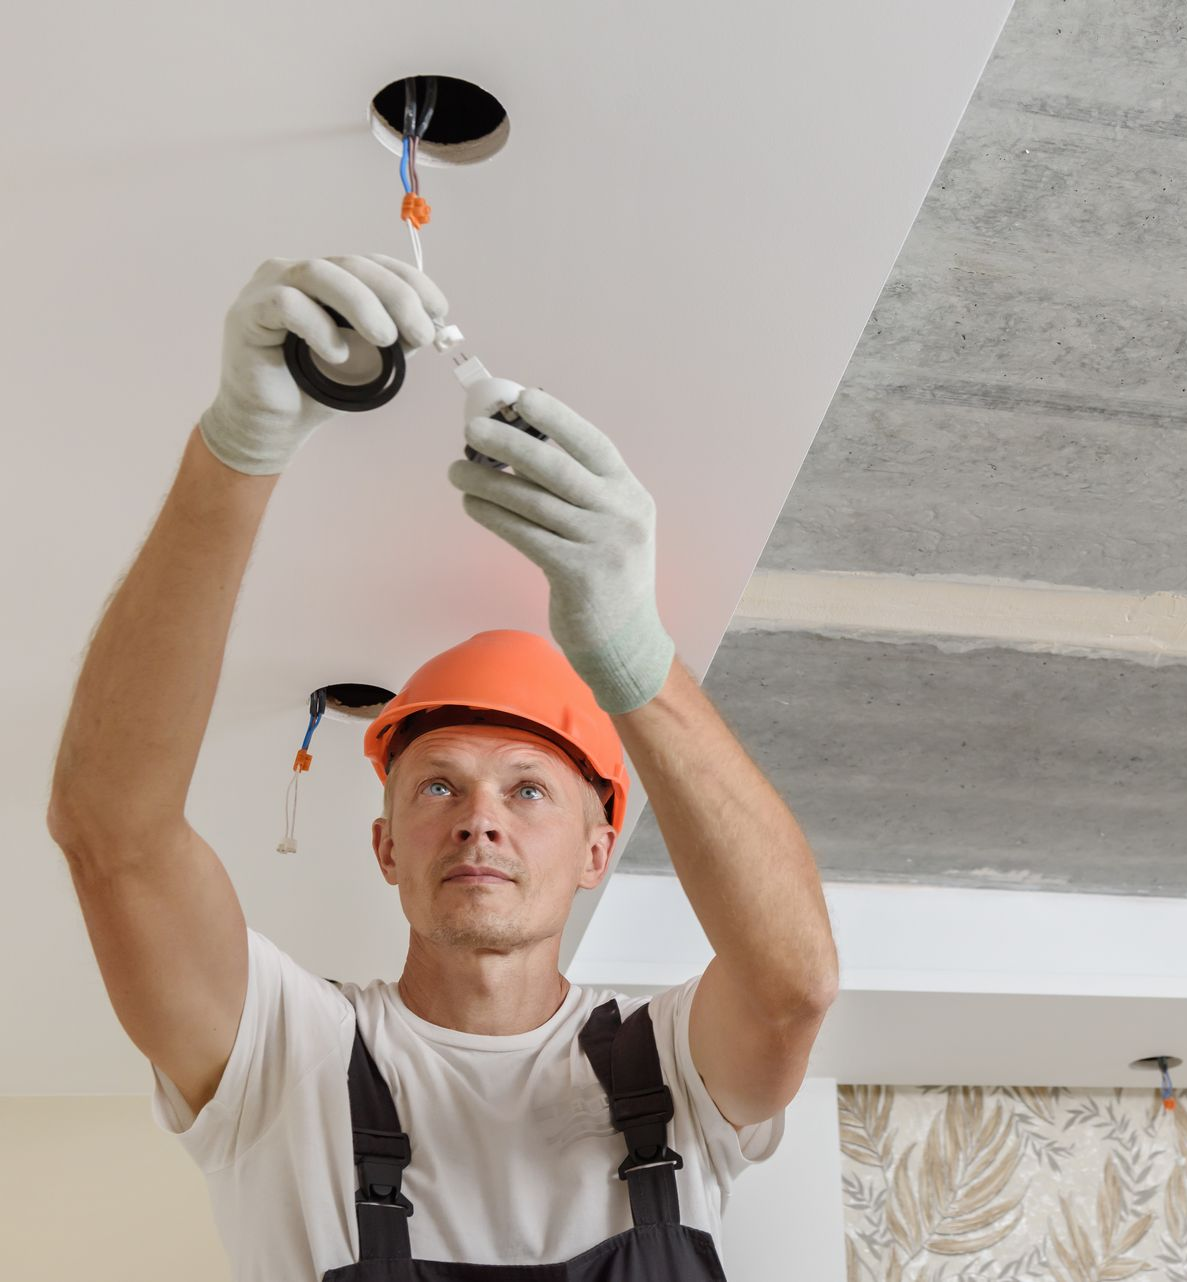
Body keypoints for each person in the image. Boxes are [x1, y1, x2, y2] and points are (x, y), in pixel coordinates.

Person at [46, 254, 840, 1281]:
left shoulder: (672, 1069)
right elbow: (112, 833)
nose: (480, 819)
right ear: (384, 846)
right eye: (438, 786)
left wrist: (631, 645)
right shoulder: (286, 1061)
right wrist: (235, 451)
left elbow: (795, 986)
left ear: (600, 848)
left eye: (527, 788)